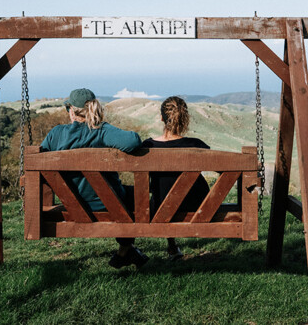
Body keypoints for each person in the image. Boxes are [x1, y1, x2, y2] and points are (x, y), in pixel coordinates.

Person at [40, 88, 148, 269]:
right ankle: (126, 249)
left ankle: (125, 252)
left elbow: (40, 164)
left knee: (129, 195)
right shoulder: (101, 131)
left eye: (68, 109)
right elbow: (134, 141)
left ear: (72, 111)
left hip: (73, 204)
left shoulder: (56, 134)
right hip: (108, 204)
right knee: (136, 195)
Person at [141, 96, 211, 261]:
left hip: (159, 205)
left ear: (161, 118)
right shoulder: (196, 145)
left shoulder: (147, 146)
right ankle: (172, 246)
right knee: (175, 192)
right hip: (196, 203)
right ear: (184, 119)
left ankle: (171, 245)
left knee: (165, 192)